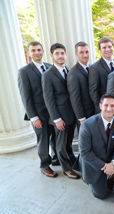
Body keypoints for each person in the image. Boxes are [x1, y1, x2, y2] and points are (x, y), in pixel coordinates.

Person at [79, 94, 114, 205]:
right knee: (102, 195)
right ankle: (105, 178)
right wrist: (104, 166)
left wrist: (113, 163)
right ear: (100, 106)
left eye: (112, 105)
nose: (109, 109)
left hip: (112, 159)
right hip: (95, 163)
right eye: (106, 105)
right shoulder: (87, 125)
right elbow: (85, 152)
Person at [17, 41, 58, 177]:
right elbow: (25, 96)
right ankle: (45, 165)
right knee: (43, 140)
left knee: (54, 137)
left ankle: (55, 157)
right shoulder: (24, 72)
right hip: (38, 114)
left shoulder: (49, 67)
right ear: (29, 53)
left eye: (39, 50)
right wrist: (33, 117)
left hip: (52, 111)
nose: (36, 52)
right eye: (33, 50)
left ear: (43, 51)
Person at [42, 43, 79, 179]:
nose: (60, 56)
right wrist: (56, 119)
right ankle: (66, 169)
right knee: (61, 145)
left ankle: (72, 162)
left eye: (62, 53)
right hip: (59, 118)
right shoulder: (48, 75)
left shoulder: (68, 70)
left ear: (65, 54)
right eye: (57, 53)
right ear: (52, 56)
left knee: (68, 143)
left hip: (71, 114)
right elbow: (49, 99)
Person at [89, 37, 114, 113]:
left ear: (113, 47)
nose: (107, 49)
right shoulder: (94, 68)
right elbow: (94, 91)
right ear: (100, 50)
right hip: (105, 109)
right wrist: (101, 109)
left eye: (109, 47)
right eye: (104, 47)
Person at [67, 41, 94, 125]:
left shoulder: (91, 68)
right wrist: (81, 118)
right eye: (81, 52)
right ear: (76, 54)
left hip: (94, 112)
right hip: (84, 116)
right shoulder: (73, 73)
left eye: (87, 52)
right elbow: (75, 99)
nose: (85, 55)